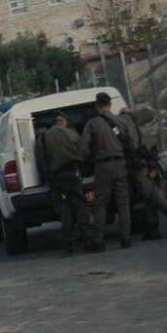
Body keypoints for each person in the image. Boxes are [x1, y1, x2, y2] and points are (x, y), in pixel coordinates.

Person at [119, 106, 167, 239]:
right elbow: (150, 112)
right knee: (149, 194)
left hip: (138, 164)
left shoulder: (119, 121)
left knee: (149, 193)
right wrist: (132, 112)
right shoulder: (132, 117)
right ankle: (153, 229)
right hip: (149, 162)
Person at [81, 92, 132, 252]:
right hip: (120, 164)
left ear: (97, 105)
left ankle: (98, 241)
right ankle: (126, 238)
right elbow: (132, 144)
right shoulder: (122, 121)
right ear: (110, 104)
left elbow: (83, 148)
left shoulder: (92, 124)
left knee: (100, 203)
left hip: (103, 167)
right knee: (123, 202)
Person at [40, 111, 92, 254]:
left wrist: (46, 177)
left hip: (56, 179)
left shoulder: (44, 136)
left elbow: (42, 159)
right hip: (72, 174)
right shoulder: (71, 133)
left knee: (64, 209)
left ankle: (70, 243)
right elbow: (83, 149)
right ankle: (88, 238)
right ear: (64, 122)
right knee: (80, 205)